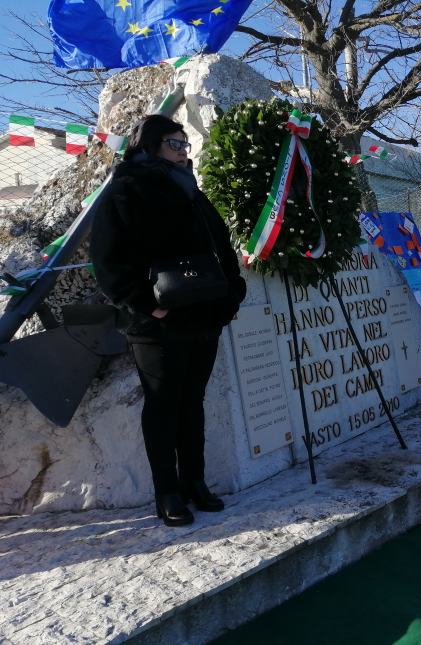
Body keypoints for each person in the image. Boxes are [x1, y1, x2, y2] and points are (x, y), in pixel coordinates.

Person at [91, 115, 246, 526]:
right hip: (157, 325)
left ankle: (195, 481)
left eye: (185, 144)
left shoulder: (191, 190)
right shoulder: (125, 189)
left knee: (192, 403)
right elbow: (107, 261)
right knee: (163, 406)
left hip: (203, 318)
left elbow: (220, 245)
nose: (183, 151)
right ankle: (168, 493)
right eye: (176, 144)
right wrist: (145, 303)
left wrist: (232, 293)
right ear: (152, 144)